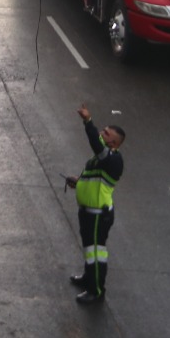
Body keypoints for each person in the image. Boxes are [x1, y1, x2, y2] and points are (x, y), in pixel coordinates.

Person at [65, 103, 125, 304]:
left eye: (106, 134)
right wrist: (78, 182)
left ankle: (96, 290)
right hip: (88, 212)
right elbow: (96, 180)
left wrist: (88, 121)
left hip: (98, 215)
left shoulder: (113, 159)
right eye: (103, 130)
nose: (101, 134)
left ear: (114, 143)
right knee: (90, 249)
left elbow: (96, 144)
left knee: (96, 252)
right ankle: (89, 277)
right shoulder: (102, 158)